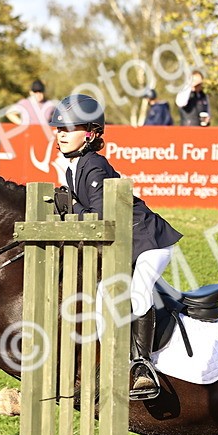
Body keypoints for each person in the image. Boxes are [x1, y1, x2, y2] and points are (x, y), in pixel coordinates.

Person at [49, 94, 183, 400]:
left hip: (148, 242)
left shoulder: (94, 165)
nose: (61, 133)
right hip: (123, 244)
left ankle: (143, 365)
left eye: (69, 128)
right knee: (99, 300)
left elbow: (100, 218)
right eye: (59, 129)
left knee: (137, 295)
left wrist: (71, 207)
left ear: (92, 133)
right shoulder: (73, 165)